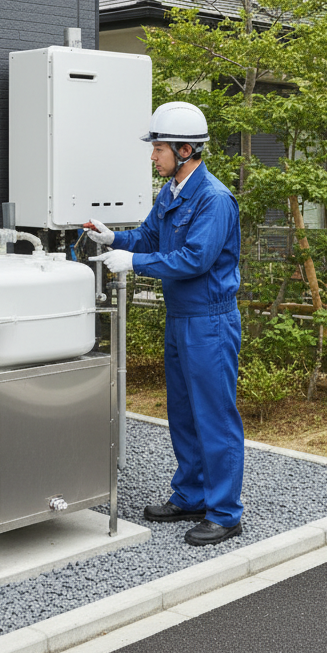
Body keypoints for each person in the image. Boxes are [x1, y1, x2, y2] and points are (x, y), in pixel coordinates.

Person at [87, 101, 245, 547]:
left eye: (158, 148)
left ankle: (226, 513)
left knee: (214, 416)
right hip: (181, 320)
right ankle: (192, 495)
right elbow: (150, 238)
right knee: (183, 413)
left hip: (210, 323)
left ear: (186, 149)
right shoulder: (172, 192)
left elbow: (194, 259)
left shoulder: (213, 199)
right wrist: (114, 237)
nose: (152, 156)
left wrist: (133, 261)